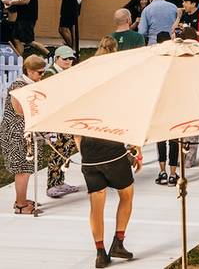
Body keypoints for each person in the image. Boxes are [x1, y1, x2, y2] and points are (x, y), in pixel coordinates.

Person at [78, 131, 140, 267]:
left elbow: (75, 134)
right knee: (126, 195)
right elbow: (132, 127)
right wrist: (137, 153)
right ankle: (118, 242)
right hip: (114, 154)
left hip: (88, 158)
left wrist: (85, 158)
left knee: (96, 205)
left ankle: (100, 253)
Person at [2, 54, 46, 215]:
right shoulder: (18, 86)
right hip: (17, 133)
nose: (42, 76)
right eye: (40, 72)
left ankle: (21, 199)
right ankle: (21, 205)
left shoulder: (29, 84)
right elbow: (20, 111)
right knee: (22, 169)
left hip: (24, 131)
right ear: (29, 70)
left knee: (26, 168)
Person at [42, 46, 80, 199]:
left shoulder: (67, 73)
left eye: (71, 58)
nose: (68, 61)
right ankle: (52, 185)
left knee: (66, 150)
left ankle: (60, 181)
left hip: (66, 119)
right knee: (57, 151)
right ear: (57, 58)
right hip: (54, 120)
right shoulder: (50, 74)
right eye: (65, 58)